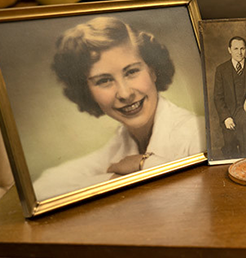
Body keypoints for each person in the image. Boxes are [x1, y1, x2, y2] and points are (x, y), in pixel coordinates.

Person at [33, 17, 204, 199]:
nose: (124, 94)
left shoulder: (197, 133)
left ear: (152, 71)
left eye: (131, 72)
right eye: (104, 80)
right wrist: (117, 180)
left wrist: (143, 164)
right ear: (87, 91)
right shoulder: (121, 141)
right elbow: (41, 188)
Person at [213, 36, 246, 158]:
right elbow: (218, 97)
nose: (239, 52)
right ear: (229, 50)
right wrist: (226, 117)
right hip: (229, 113)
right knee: (229, 147)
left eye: (242, 49)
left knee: (244, 133)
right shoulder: (221, 69)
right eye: (236, 49)